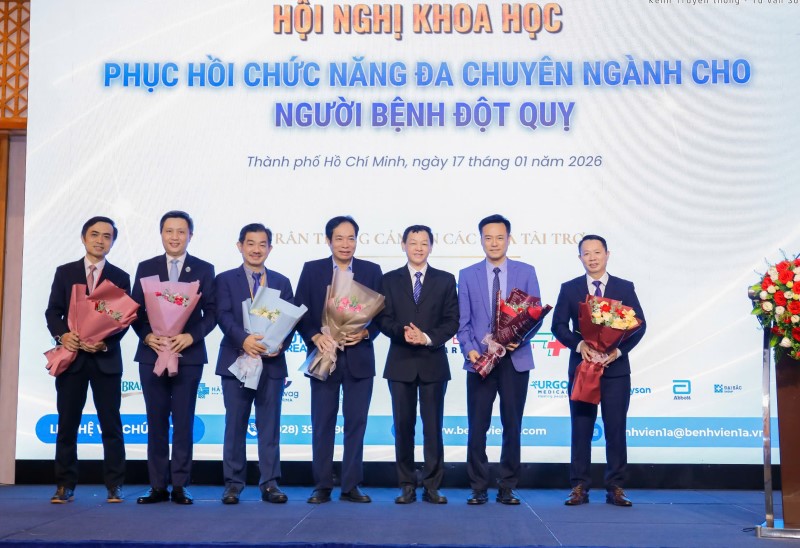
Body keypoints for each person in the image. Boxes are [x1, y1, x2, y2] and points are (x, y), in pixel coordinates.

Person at [551, 234, 646, 507]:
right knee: (581, 428)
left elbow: (639, 324)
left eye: (597, 252)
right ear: (580, 257)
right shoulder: (569, 288)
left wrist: (617, 352)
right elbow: (558, 326)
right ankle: (579, 486)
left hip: (616, 371)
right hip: (583, 369)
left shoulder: (624, 287)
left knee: (616, 429)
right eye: (586, 253)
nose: (592, 258)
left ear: (607, 254)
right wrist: (579, 344)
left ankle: (616, 487)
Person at [295, 215, 383, 504]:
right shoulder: (312, 270)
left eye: (351, 238)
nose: (346, 244)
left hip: (359, 359)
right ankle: (322, 485)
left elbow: (383, 316)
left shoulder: (371, 271)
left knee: (356, 423)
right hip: (323, 357)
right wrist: (314, 336)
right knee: (322, 423)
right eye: (340, 238)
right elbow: (300, 312)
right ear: (328, 240)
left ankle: (351, 485)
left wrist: (366, 333)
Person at [457, 214, 542, 505]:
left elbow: (535, 315)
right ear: (481, 240)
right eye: (488, 237)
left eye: (500, 237)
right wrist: (470, 349)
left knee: (512, 425)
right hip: (480, 360)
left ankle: (507, 486)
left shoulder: (526, 272)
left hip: (515, 360)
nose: (494, 243)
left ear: (509, 239)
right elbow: (463, 322)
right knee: (477, 425)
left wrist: (520, 338)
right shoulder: (467, 275)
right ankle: (478, 486)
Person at [132, 211, 216, 505]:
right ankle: (157, 485)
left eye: (182, 231)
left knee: (183, 421)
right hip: (152, 355)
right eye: (169, 231)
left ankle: (180, 485)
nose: (175, 237)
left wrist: (191, 336)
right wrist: (147, 336)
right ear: (161, 234)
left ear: (191, 235)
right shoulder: (146, 267)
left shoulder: (204, 269)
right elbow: (134, 312)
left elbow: (212, 312)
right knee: (155, 421)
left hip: (188, 356)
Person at [45, 216, 130, 504]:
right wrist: (63, 336)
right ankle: (64, 485)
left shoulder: (120, 277)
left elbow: (124, 320)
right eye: (94, 234)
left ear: (112, 242)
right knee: (67, 424)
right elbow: (52, 312)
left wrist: (106, 343)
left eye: (107, 236)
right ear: (83, 238)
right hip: (72, 359)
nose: (100, 240)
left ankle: (115, 485)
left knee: (111, 425)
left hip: (105, 360)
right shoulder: (65, 273)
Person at [378, 225, 459, 504]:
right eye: (413, 242)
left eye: (424, 243)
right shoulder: (389, 280)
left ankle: (432, 485)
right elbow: (382, 319)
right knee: (403, 427)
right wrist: (403, 333)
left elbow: (452, 320)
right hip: (400, 363)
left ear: (431, 247)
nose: (418, 248)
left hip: (433, 362)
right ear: (403, 245)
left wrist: (426, 337)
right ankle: (406, 485)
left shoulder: (445, 280)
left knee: (433, 427)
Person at [215, 223, 294, 505]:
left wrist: (280, 343)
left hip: (272, 364)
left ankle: (270, 483)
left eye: (262, 244)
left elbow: (291, 319)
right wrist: (244, 340)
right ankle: (233, 484)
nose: (256, 249)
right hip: (236, 360)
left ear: (270, 248)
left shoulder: (282, 282)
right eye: (250, 243)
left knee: (269, 426)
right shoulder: (225, 279)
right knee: (235, 425)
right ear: (240, 246)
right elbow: (223, 315)